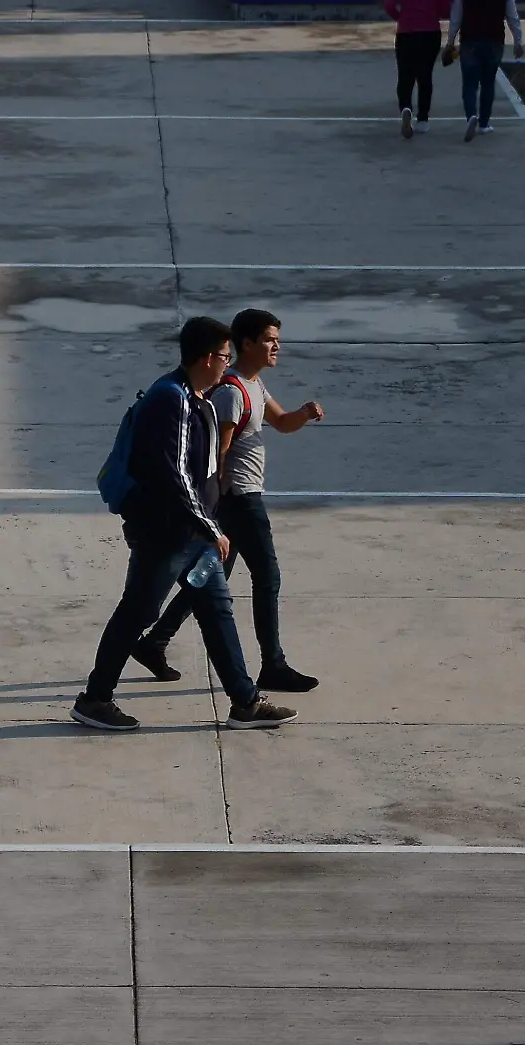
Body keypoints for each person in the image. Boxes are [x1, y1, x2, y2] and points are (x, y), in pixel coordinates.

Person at [74, 317, 300, 733]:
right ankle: (95, 699)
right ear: (204, 357)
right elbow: (174, 475)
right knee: (138, 611)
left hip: (192, 535)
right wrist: (211, 525)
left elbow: (203, 471)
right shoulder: (171, 398)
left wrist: (209, 523)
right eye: (223, 356)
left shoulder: (196, 397)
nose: (227, 364)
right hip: (166, 535)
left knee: (217, 610)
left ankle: (245, 702)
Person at [131, 309, 325, 694]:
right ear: (246, 343)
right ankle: (273, 665)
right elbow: (215, 452)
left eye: (277, 339)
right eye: (269, 339)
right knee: (267, 577)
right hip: (239, 498)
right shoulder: (233, 391)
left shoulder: (255, 387)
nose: (277, 347)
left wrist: (303, 414)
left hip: (237, 498)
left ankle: (154, 642)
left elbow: (282, 422)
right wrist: (216, 504)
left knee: (205, 578)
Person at [443, 0, 525, 142]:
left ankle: (471, 117)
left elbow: (456, 16)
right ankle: (483, 124)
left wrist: (450, 41)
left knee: (469, 84)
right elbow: (512, 16)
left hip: (470, 41)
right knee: (488, 83)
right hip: (494, 41)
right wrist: (518, 41)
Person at [384, 0, 446, 139]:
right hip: (430, 33)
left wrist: (401, 17)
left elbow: (389, 5)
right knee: (425, 75)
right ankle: (422, 120)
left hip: (406, 32)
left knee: (405, 75)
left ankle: (406, 108)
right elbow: (446, 8)